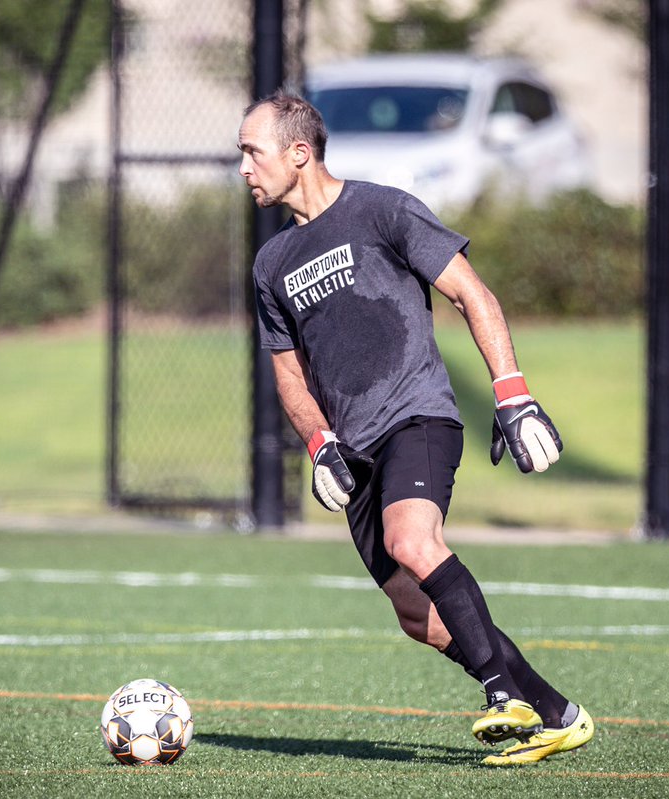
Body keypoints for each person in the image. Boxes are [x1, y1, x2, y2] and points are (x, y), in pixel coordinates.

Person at [239, 90, 594, 767]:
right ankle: (557, 713)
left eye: (252, 153)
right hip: (354, 445)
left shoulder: (382, 209)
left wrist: (513, 395)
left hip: (417, 416)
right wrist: (319, 444)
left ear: (299, 152)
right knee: (413, 611)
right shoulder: (270, 264)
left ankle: (502, 697)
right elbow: (289, 374)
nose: (245, 169)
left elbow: (472, 293)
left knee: (412, 538)